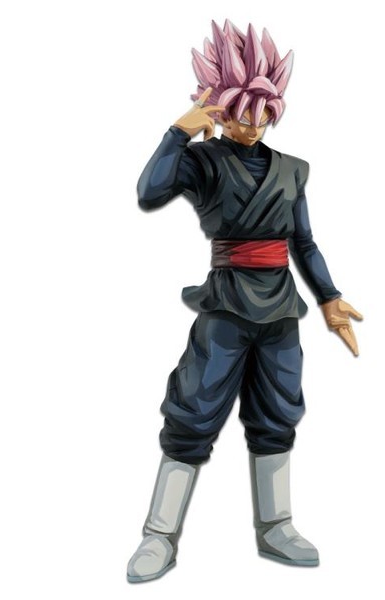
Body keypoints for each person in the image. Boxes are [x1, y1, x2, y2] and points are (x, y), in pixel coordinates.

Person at [127, 20, 362, 583]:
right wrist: (178, 132)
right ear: (219, 107)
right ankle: (159, 535)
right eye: (240, 112)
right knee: (192, 411)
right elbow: (148, 193)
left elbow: (303, 242)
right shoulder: (203, 161)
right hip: (226, 306)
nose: (252, 124)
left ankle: (276, 526)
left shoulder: (292, 170)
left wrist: (329, 298)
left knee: (278, 413)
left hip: (280, 309)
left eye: (262, 112)